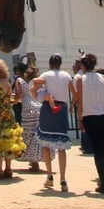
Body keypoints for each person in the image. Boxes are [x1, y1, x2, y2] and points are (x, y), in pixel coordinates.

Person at [74, 54, 104, 196]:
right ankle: (103, 180)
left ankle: (103, 183)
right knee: (103, 147)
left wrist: (80, 118)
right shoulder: (103, 78)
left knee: (98, 149)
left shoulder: (80, 79)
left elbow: (79, 100)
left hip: (90, 115)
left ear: (83, 66)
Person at [35, 52, 74, 191]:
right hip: (62, 108)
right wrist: (73, 105)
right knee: (61, 146)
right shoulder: (66, 76)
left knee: (45, 143)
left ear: (50, 63)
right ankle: (63, 179)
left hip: (48, 109)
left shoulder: (45, 75)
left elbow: (34, 85)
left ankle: (50, 176)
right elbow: (74, 93)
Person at [14, 61, 44, 173]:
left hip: (27, 107)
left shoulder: (20, 81)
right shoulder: (37, 83)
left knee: (27, 134)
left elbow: (18, 95)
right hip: (38, 106)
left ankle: (33, 161)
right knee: (36, 134)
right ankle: (35, 161)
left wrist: (15, 101)